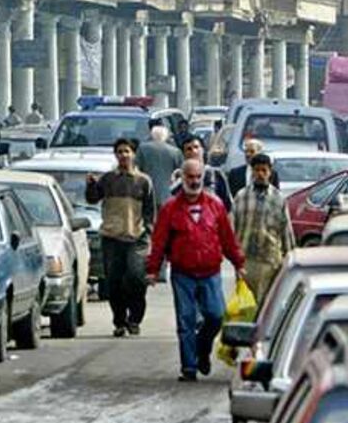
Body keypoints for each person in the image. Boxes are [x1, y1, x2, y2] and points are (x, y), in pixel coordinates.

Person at [148, 159, 245, 382]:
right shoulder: (170, 208)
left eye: (198, 177)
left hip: (210, 272)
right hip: (183, 273)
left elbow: (227, 239)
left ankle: (202, 349)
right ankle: (189, 367)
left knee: (216, 316)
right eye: (190, 177)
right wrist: (153, 269)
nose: (194, 181)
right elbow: (160, 241)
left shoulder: (215, 205)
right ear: (182, 178)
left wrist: (239, 263)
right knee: (186, 320)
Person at [85, 138, 155, 337]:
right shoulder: (108, 180)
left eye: (127, 151)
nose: (123, 155)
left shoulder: (143, 181)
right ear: (115, 155)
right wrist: (90, 185)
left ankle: (135, 319)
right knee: (113, 282)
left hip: (136, 238)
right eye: (120, 152)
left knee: (135, 278)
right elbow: (92, 198)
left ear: (134, 154)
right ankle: (119, 321)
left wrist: (148, 232)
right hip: (112, 238)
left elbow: (150, 211)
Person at [232, 154, 296, 301]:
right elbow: (232, 230)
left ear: (270, 172)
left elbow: (286, 231)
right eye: (257, 170)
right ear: (252, 171)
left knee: (266, 305)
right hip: (245, 260)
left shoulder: (278, 199)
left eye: (264, 170)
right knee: (245, 305)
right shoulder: (241, 197)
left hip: (269, 261)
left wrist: (289, 257)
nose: (260, 174)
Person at [169, 136, 234, 210]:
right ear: (184, 154)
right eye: (189, 149)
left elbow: (228, 206)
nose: (193, 151)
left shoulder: (216, 175)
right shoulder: (180, 179)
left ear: (203, 150)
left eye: (196, 147)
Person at [136, 125, 183, 211]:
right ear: (166, 136)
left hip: (147, 195)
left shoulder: (142, 149)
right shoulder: (176, 152)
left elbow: (136, 170)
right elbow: (181, 174)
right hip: (168, 196)